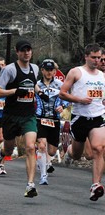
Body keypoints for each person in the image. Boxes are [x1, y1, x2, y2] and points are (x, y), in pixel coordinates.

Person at [0, 40, 45, 197]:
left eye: (29, 50)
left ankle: (30, 185)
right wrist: (16, 91)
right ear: (17, 52)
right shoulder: (10, 70)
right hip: (11, 116)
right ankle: (0, 154)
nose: (26, 53)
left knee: (30, 147)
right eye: (23, 50)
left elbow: (33, 85)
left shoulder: (34, 68)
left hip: (28, 115)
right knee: (8, 148)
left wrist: (40, 92)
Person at [59, 43, 105, 201]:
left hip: (98, 117)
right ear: (86, 56)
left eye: (99, 58)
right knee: (79, 154)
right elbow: (62, 94)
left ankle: (95, 185)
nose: (96, 60)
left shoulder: (102, 75)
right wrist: (79, 99)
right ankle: (69, 153)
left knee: (98, 149)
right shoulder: (76, 72)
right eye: (93, 57)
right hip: (79, 118)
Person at [35, 59, 69, 185]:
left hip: (54, 119)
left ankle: (42, 160)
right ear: (42, 70)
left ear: (55, 71)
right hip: (40, 118)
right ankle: (43, 175)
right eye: (46, 70)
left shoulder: (60, 84)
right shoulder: (37, 85)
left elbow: (67, 99)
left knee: (52, 151)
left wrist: (63, 107)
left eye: (51, 70)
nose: (49, 72)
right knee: (42, 145)